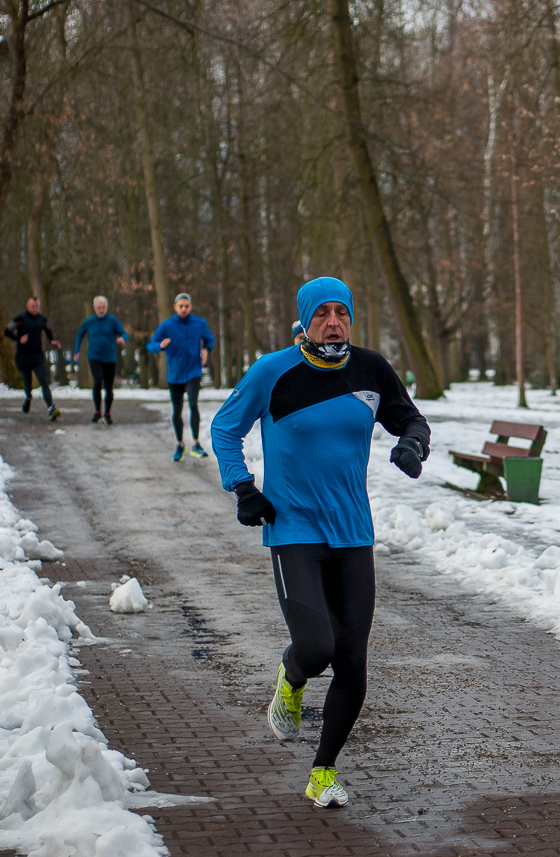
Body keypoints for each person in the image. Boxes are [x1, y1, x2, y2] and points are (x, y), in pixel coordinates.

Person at [210, 276, 431, 809]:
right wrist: (243, 487)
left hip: (353, 532)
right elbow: (223, 428)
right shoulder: (273, 372)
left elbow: (410, 418)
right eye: (323, 313)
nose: (334, 321)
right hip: (294, 529)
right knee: (316, 647)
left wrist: (412, 446)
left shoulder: (371, 369)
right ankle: (290, 678)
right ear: (304, 319)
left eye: (343, 312)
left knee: (353, 659)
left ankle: (323, 770)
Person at [147, 293, 215, 461]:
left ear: (191, 307)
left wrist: (206, 349)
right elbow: (151, 345)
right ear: (175, 307)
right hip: (175, 374)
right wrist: (160, 345)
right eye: (181, 306)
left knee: (193, 404)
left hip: (193, 371)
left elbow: (209, 339)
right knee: (177, 411)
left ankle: (196, 443)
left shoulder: (199, 323)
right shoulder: (167, 326)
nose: (184, 309)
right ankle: (180, 444)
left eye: (187, 306)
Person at [4, 296, 61, 421]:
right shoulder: (20, 319)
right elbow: (7, 331)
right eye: (32, 307)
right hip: (23, 357)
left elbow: (48, 330)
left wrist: (52, 340)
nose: (35, 309)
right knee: (28, 385)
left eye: (37, 307)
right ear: (27, 306)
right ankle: (28, 398)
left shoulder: (42, 319)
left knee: (44, 381)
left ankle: (51, 408)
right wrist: (18, 339)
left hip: (37, 356)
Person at [74, 296, 128, 424]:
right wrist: (77, 349)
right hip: (94, 357)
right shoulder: (89, 322)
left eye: (103, 307)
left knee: (109, 387)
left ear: (106, 307)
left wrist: (123, 339)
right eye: (98, 307)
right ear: (94, 308)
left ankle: (107, 413)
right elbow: (80, 334)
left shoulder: (113, 321)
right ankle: (97, 411)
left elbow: (124, 333)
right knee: (98, 381)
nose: (101, 310)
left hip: (110, 358)